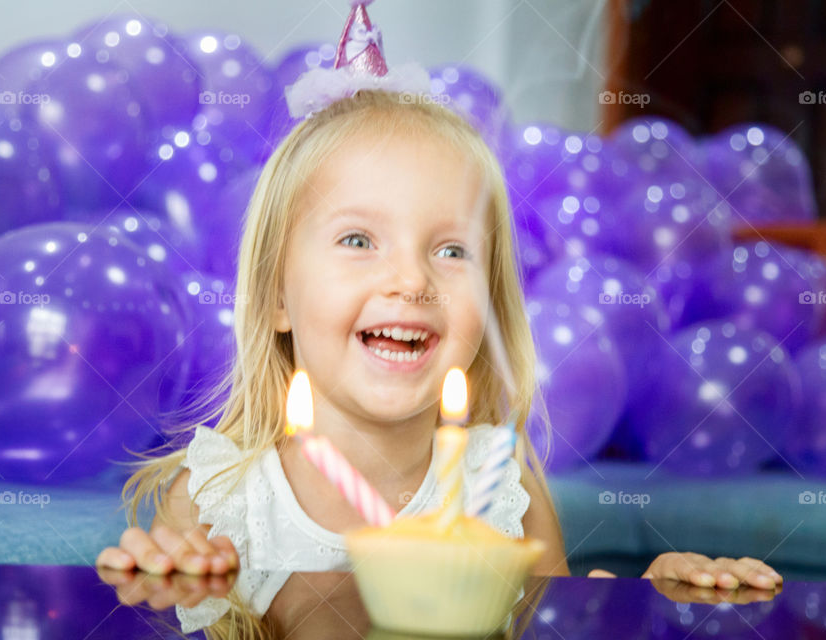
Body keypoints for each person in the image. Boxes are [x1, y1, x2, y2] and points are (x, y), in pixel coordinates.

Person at [96, 2, 782, 638]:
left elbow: (559, 620)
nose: (411, 280)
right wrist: (162, 578)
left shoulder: (501, 491)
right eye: (359, 240)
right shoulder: (218, 499)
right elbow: (158, 595)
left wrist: (640, 607)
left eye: (451, 250)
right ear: (277, 296)